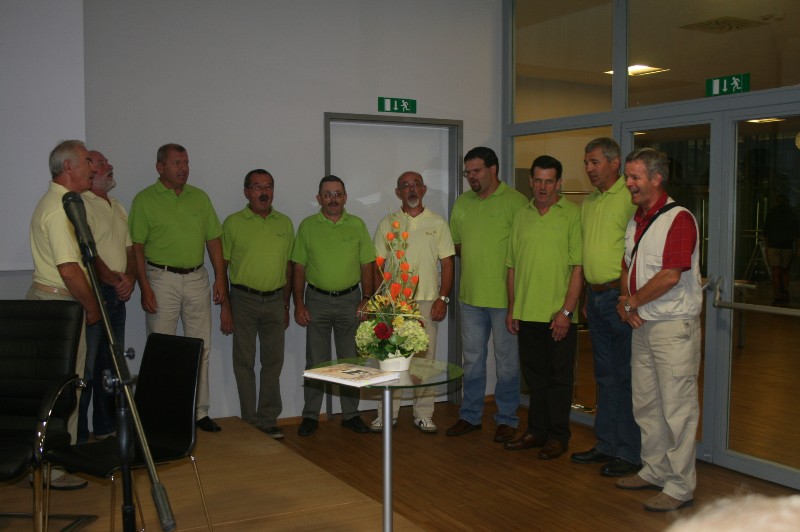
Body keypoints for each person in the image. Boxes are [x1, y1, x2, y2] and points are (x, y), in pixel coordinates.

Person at [614, 148, 703, 512]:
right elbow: (626, 267)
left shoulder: (679, 219)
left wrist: (631, 303)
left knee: (678, 409)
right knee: (646, 403)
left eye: (635, 177)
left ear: (656, 178)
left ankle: (680, 486)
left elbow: (670, 275)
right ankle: (654, 470)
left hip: (673, 328)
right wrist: (625, 300)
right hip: (642, 323)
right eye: (627, 176)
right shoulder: (636, 220)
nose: (628, 183)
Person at [128, 143, 227, 433]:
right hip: (161, 278)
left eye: (186, 162)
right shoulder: (145, 200)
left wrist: (220, 278)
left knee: (201, 347)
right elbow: (137, 247)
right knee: (162, 349)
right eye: (177, 163)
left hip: (197, 278)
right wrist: (144, 287)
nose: (183, 168)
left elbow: (213, 241)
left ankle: (199, 412)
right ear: (160, 167)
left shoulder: (200, 197)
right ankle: (162, 415)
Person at [28, 139, 100, 489]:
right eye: (87, 161)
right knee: (65, 388)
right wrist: (92, 307)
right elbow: (69, 270)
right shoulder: (60, 208)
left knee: (56, 387)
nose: (93, 168)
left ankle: (46, 462)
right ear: (68, 167)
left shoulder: (62, 202)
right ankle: (55, 467)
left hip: (52, 302)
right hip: (60, 305)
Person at [503, 156, 583, 459]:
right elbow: (512, 266)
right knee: (535, 378)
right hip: (527, 313)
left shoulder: (572, 214)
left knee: (559, 380)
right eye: (538, 180)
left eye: (549, 181)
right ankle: (536, 431)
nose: (543, 187)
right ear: (530, 182)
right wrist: (513, 308)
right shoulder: (521, 215)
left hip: (557, 315)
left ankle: (558, 436)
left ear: (558, 183)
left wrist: (566, 312)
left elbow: (578, 268)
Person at [570, 138, 641, 476]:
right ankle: (607, 444)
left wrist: (627, 298)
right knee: (604, 375)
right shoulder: (590, 201)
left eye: (595, 162)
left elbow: (637, 252)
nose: (589, 168)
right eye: (586, 162)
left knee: (625, 377)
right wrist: (586, 295)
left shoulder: (629, 198)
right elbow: (589, 254)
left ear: (615, 163)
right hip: (596, 298)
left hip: (619, 298)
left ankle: (629, 452)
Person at [447, 147, 528, 443]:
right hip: (470, 297)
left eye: (476, 171)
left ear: (493, 170)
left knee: (507, 364)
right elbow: (456, 244)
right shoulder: (463, 203)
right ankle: (470, 415)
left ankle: (507, 418)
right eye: (467, 172)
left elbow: (524, 250)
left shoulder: (516, 203)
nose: (471, 177)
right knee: (472, 361)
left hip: (506, 300)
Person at [369, 171, 455, 434]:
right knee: (390, 359)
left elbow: (447, 263)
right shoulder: (388, 223)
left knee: (425, 362)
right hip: (394, 305)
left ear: (424, 189)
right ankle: (387, 414)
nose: (412, 189)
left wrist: (443, 298)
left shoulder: (438, 223)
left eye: (416, 184)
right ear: (398, 193)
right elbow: (377, 265)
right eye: (405, 185)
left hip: (428, 303)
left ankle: (423, 414)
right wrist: (379, 303)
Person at [291, 175, 376, 436]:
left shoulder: (357, 225)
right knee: (316, 361)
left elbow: (367, 264)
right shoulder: (307, 226)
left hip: (351, 300)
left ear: (345, 197)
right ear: (319, 198)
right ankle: (311, 416)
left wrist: (367, 298)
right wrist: (299, 303)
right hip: (316, 300)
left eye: (338, 194)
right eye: (327, 194)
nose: (333, 199)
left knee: (351, 361)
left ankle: (351, 415)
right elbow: (298, 267)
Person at [220, 169, 294, 439]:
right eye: (257, 187)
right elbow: (222, 267)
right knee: (244, 361)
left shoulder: (284, 223)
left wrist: (286, 305)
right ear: (246, 192)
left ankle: (268, 418)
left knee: (273, 361)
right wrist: (225, 306)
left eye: (269, 186)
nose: (264, 192)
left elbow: (289, 267)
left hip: (275, 299)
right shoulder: (233, 223)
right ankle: (250, 421)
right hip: (243, 299)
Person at [77, 149, 136, 443]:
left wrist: (130, 278)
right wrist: (113, 279)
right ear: (89, 170)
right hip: (95, 293)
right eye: (101, 163)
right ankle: (78, 437)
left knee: (112, 366)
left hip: (117, 294)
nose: (109, 166)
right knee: (86, 370)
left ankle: (105, 429)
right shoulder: (80, 204)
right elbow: (88, 252)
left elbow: (129, 250)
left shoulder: (118, 205)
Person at [763, 193, 798, 304]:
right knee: (785, 271)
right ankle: (785, 292)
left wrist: (767, 247)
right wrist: (797, 247)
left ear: (776, 202)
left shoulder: (771, 213)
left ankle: (777, 296)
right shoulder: (791, 214)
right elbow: (797, 233)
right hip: (787, 246)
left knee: (776, 272)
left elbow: (766, 232)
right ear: (786, 202)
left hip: (773, 246)